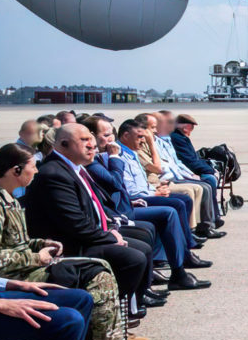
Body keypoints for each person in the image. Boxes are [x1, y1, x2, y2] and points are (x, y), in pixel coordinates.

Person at [0, 143, 155, 340]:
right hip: (10, 278)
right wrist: (36, 257)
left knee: (98, 268)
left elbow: (14, 243)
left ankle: (111, 339)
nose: (37, 171)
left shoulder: (7, 199)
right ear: (16, 171)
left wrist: (41, 244)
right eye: (33, 167)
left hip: (22, 268)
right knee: (98, 276)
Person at [21, 125, 155, 309]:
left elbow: (92, 207)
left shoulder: (72, 167)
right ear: (63, 144)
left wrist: (110, 230)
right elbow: (74, 224)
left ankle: (127, 313)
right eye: (84, 141)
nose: (91, 145)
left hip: (86, 236)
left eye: (91, 139)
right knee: (134, 258)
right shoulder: (54, 174)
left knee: (143, 245)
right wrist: (108, 237)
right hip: (69, 246)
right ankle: (103, 312)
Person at [84, 117, 210, 291]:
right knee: (170, 211)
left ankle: (179, 264)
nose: (111, 140)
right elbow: (115, 182)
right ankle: (176, 270)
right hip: (120, 211)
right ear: (92, 137)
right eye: (106, 135)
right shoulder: (100, 160)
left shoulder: (109, 156)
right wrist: (114, 157)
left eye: (111, 134)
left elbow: (119, 186)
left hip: (127, 204)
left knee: (178, 204)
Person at [153, 111, 223, 230]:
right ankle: (202, 226)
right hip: (173, 177)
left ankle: (211, 219)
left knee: (207, 182)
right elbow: (187, 161)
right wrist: (202, 172)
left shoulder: (172, 138)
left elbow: (180, 162)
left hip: (183, 172)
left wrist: (204, 170)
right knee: (207, 183)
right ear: (185, 126)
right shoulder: (176, 138)